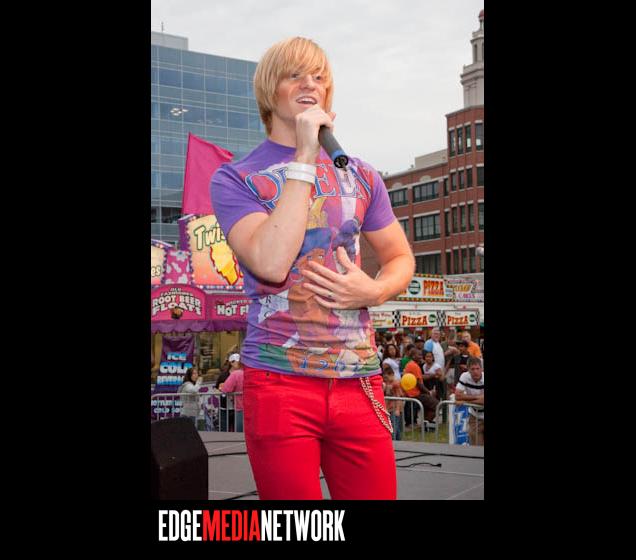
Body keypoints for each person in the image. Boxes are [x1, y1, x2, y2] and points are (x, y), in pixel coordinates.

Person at [210, 36, 415, 500]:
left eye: (319, 76)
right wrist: (304, 156)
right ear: (270, 90)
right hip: (279, 381)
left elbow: (400, 257)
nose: (310, 84)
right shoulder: (236, 178)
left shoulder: (360, 174)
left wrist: (376, 290)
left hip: (358, 378)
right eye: (295, 75)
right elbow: (270, 262)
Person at [402, 348, 439, 426]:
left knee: (429, 405)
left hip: (412, 393)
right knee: (437, 404)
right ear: (413, 356)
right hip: (414, 394)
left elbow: (420, 378)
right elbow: (418, 383)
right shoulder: (414, 366)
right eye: (418, 355)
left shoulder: (411, 364)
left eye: (421, 355)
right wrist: (428, 392)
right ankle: (426, 422)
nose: (421, 357)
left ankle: (425, 422)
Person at [454, 356, 484, 446]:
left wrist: (465, 401)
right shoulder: (464, 376)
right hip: (475, 416)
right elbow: (458, 396)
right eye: (472, 369)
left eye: (477, 369)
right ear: (468, 370)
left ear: (481, 369)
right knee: (476, 448)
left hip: (477, 411)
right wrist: (478, 397)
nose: (475, 371)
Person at [220, 353, 245, 432]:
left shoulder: (236, 374)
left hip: (240, 406)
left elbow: (225, 389)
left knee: (240, 432)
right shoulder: (252, 373)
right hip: (254, 406)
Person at [382, 364, 404, 441]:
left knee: (394, 426)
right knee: (394, 426)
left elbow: (398, 397)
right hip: (389, 408)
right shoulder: (387, 384)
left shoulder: (395, 384)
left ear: (392, 375)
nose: (386, 379)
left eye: (387, 377)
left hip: (395, 409)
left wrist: (397, 409)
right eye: (384, 378)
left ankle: (394, 441)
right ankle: (398, 441)